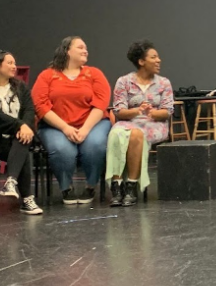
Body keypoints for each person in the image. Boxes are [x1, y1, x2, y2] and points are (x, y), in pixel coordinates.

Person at [32, 36, 111, 205]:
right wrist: (66, 128)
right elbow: (41, 106)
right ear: (67, 51)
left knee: (95, 146)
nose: (85, 50)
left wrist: (85, 130)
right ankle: (66, 187)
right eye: (81, 47)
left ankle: (91, 186)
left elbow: (101, 103)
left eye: (86, 48)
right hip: (55, 126)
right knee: (62, 150)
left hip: (92, 123)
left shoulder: (94, 73)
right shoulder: (47, 75)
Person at [0, 50, 43, 214]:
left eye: (14, 63)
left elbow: (29, 110)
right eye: (10, 63)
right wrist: (20, 126)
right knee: (23, 147)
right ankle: (27, 199)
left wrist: (24, 126)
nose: (14, 66)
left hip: (18, 137)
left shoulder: (20, 87)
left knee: (23, 141)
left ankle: (11, 181)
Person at [107, 41, 174, 207]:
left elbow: (168, 110)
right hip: (128, 121)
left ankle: (131, 185)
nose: (159, 60)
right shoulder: (124, 82)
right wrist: (137, 111)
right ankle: (117, 187)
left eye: (158, 57)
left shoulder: (164, 83)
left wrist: (152, 113)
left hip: (154, 124)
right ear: (141, 61)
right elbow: (119, 111)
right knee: (116, 133)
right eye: (154, 57)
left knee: (135, 134)